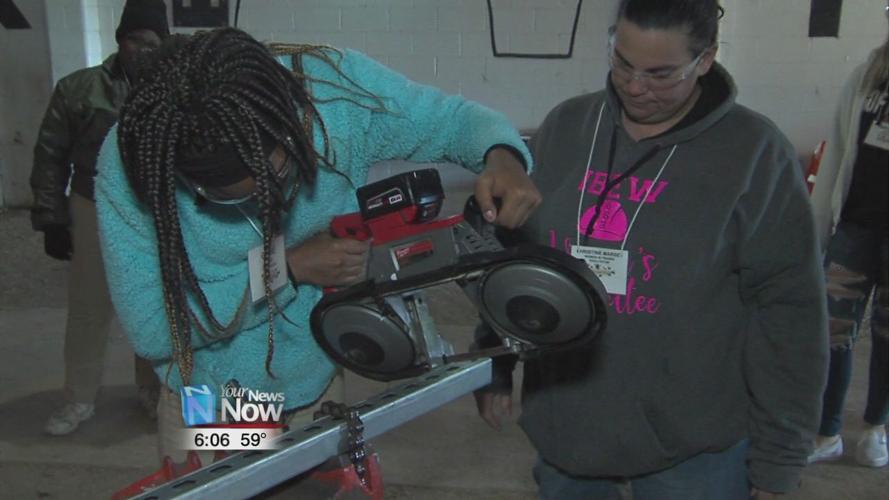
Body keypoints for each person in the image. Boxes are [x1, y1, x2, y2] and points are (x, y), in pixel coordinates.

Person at [93, 27, 540, 463]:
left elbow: (450, 121)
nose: (274, 198)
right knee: (226, 485)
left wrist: (502, 154)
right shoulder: (140, 159)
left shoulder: (334, 95)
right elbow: (152, 326)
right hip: (214, 399)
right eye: (242, 195)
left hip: (315, 380)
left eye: (281, 173)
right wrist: (286, 268)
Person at [473, 1, 828, 498]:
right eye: (622, 63)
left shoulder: (753, 154)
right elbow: (514, 259)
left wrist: (779, 459)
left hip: (692, 449)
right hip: (568, 431)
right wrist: (492, 363)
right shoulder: (567, 127)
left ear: (705, 59)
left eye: (661, 74)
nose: (636, 87)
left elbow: (790, 312)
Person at [30, 0, 168, 436]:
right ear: (119, 40)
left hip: (152, 208)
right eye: (134, 40)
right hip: (92, 204)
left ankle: (153, 390)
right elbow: (50, 155)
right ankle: (78, 400)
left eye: (151, 43)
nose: (142, 51)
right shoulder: (79, 89)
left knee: (153, 302)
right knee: (90, 307)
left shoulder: (174, 90)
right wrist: (51, 217)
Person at [808, 8, 889, 469]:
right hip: (855, 226)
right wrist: (819, 228)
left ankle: (876, 428)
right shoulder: (866, 77)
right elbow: (837, 152)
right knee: (834, 331)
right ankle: (827, 432)